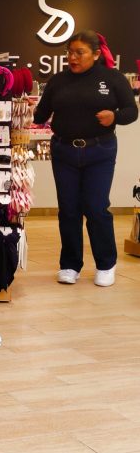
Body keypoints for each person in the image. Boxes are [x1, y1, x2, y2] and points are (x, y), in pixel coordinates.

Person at [34, 30, 138, 286]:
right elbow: (41, 113)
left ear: (95, 54)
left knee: (95, 207)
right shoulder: (58, 80)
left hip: (100, 151)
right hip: (64, 151)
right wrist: (36, 112)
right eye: (69, 52)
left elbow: (131, 111)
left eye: (79, 52)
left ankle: (106, 264)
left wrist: (115, 117)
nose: (73, 57)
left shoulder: (112, 79)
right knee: (68, 209)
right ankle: (70, 264)